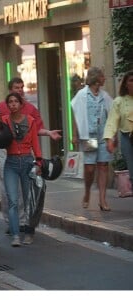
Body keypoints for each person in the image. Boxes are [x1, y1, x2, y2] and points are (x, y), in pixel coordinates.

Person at [0, 77, 62, 235]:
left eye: (21, 87)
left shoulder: (30, 109)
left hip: (25, 152)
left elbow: (37, 129)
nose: (19, 90)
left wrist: (48, 133)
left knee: (27, 189)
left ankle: (25, 221)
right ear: (10, 90)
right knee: (8, 189)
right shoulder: (0, 108)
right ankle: (12, 221)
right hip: (5, 151)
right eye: (16, 87)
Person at [2, 92, 43, 247]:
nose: (13, 104)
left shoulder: (31, 121)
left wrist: (39, 162)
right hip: (10, 163)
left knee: (28, 200)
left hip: (27, 161)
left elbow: (35, 144)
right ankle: (15, 235)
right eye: (10, 102)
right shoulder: (4, 121)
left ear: (20, 104)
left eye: (15, 101)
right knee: (12, 200)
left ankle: (29, 232)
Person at [72, 67, 113, 211]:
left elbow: (112, 116)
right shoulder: (82, 95)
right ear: (96, 78)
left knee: (103, 166)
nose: (104, 79)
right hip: (89, 136)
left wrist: (112, 136)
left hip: (103, 136)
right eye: (102, 76)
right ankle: (87, 192)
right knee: (89, 169)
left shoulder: (105, 96)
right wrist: (75, 134)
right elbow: (76, 116)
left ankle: (102, 199)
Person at [104, 70, 133, 190]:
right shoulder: (119, 101)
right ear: (126, 84)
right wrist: (109, 139)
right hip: (128, 138)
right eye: (131, 81)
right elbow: (112, 121)